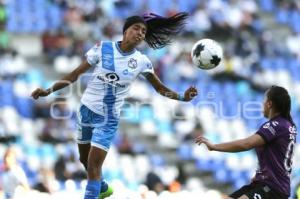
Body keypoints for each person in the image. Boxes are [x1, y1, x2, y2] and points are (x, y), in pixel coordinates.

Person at [31, 12, 198, 199]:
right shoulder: (103, 48)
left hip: (108, 119)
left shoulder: (142, 61)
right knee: (85, 161)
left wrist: (183, 97)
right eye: (136, 28)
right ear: (125, 30)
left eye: (143, 31)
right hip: (86, 110)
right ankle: (101, 187)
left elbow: (160, 89)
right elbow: (74, 75)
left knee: (94, 165)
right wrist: (48, 90)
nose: (140, 33)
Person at [195, 86, 297, 199]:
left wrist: (214, 146)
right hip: (266, 184)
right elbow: (275, 155)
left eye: (264, 101)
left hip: (273, 188)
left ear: (269, 104)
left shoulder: (275, 125)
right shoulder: (287, 125)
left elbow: (246, 144)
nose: (262, 104)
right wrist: (261, 174)